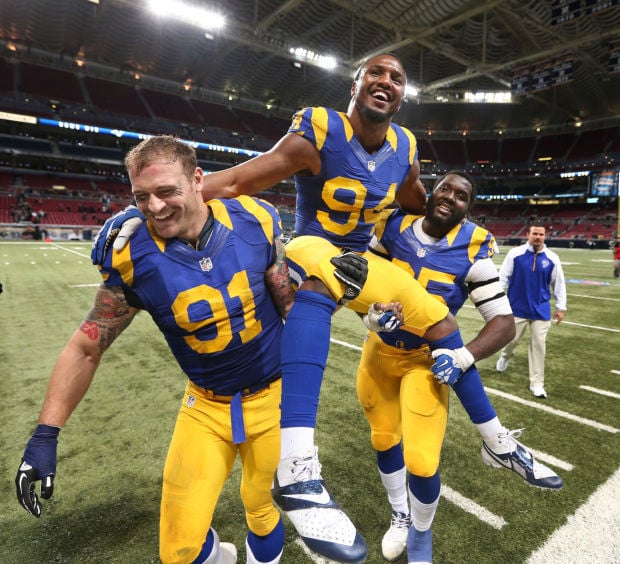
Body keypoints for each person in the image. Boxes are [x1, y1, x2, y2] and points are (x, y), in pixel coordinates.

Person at [91, 54, 485, 563]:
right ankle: (300, 467)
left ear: (404, 95)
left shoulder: (405, 146)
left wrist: (457, 223)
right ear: (356, 83)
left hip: (362, 267)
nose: (385, 82)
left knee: (438, 319)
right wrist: (150, 206)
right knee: (319, 296)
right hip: (313, 260)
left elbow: (417, 202)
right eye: (376, 73)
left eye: (397, 78)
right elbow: (236, 182)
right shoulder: (320, 131)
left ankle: (495, 441)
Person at [16, 135, 300, 564]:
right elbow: (86, 346)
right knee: (179, 549)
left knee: (262, 510)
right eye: (141, 197)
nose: (154, 207)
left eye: (167, 191)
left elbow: (291, 309)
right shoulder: (132, 256)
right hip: (205, 407)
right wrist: (45, 433)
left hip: (273, 397)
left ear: (198, 180)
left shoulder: (255, 219)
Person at [356, 172, 563, 562]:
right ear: (432, 192)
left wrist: (463, 355)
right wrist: (371, 319)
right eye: (445, 188)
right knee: (384, 439)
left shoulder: (473, 248)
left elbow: (502, 322)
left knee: (421, 459)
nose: (451, 197)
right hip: (379, 354)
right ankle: (400, 514)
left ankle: (420, 532)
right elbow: (366, 292)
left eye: (462, 195)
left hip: (425, 362)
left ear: (469, 208)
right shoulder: (392, 228)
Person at [496, 224, 567, 398]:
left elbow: (558, 283)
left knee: (538, 346)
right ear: (528, 234)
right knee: (511, 340)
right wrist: (497, 298)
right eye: (535, 233)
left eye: (541, 234)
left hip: (541, 309)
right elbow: (503, 276)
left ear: (545, 236)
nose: (538, 237)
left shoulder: (552, 258)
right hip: (516, 307)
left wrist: (560, 307)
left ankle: (537, 383)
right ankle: (505, 355)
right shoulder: (516, 254)